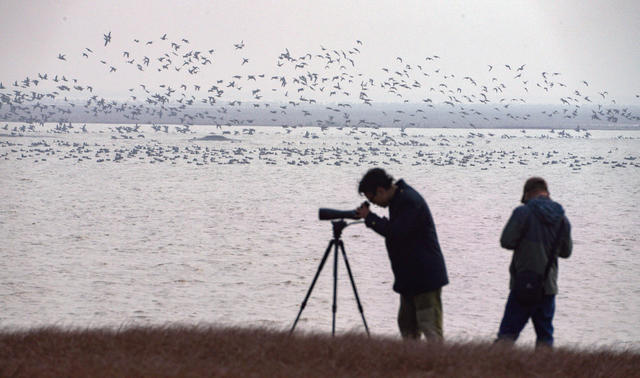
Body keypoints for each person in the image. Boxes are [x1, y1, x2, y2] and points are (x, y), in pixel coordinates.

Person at [355, 168, 448, 341]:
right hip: (410, 279)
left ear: (381, 190)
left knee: (430, 329)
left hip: (425, 278)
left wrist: (370, 218)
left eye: (372, 199)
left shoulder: (408, 200)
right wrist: (371, 218)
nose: (373, 204)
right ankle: (411, 365)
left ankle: (439, 366)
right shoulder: (399, 199)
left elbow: (396, 232)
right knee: (407, 327)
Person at [496, 177, 572, 347]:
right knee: (545, 338)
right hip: (548, 287)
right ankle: (544, 371)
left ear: (527, 194)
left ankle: (492, 370)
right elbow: (566, 253)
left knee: (506, 336)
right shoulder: (562, 219)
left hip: (523, 284)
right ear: (547, 193)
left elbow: (506, 241)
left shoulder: (523, 213)